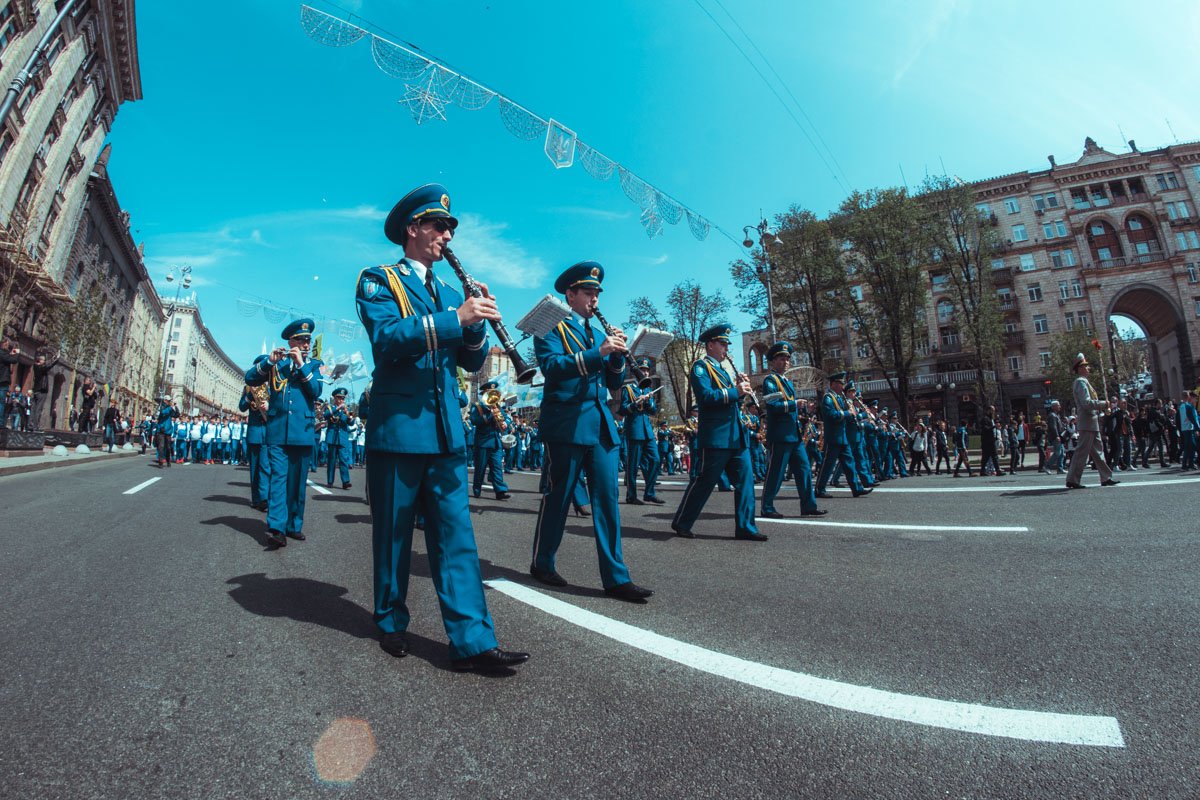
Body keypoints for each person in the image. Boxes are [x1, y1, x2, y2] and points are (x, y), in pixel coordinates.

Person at [357, 182, 527, 671]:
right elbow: (388, 338)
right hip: (400, 427)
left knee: (457, 536)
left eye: (451, 228)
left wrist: (475, 327)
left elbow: (470, 363)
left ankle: (473, 641)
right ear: (413, 229)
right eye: (439, 226)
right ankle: (390, 619)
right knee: (392, 533)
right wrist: (457, 317)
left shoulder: (452, 292)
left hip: (447, 430)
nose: (448, 235)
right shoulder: (378, 279)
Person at [529, 260, 653, 601]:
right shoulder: (550, 326)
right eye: (587, 292)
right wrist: (598, 352)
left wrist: (616, 358)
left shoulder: (600, 333)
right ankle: (542, 561)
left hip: (600, 424)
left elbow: (613, 383)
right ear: (570, 294)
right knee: (559, 497)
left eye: (597, 293)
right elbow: (552, 367)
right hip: (566, 422)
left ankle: (616, 578)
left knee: (607, 501)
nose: (594, 299)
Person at [671, 323, 767, 541]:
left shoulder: (723, 370)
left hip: (735, 436)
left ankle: (746, 527)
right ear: (711, 344)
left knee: (746, 481)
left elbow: (731, 400)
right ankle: (682, 521)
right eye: (722, 343)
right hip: (716, 437)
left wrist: (741, 390)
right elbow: (706, 397)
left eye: (726, 344)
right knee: (705, 481)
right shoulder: (701, 367)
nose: (726, 348)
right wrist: (736, 390)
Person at [245, 318, 324, 546]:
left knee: (297, 482)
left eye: (308, 340)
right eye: (301, 340)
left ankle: (293, 525)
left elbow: (316, 391)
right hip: (278, 430)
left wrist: (301, 364)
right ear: (291, 341)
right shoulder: (275, 364)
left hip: (303, 431)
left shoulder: (315, 365)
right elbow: (250, 378)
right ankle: (276, 527)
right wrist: (269, 362)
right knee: (278, 479)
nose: (306, 344)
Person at [759, 342, 826, 519]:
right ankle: (767, 507)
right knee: (776, 473)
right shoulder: (770, 381)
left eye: (788, 358)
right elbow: (773, 406)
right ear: (773, 362)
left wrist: (803, 409)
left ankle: (808, 506)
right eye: (782, 358)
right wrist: (794, 404)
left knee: (804, 469)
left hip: (794, 434)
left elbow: (789, 408)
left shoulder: (786, 382)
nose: (786, 361)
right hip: (780, 435)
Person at [1065, 353, 1118, 490]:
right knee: (1082, 452)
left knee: (1098, 452)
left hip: (1092, 422)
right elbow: (1086, 403)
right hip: (1087, 422)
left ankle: (1106, 477)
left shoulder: (1084, 382)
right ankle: (1072, 479)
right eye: (1085, 366)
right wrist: (1103, 404)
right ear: (1080, 368)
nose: (1088, 368)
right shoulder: (1080, 382)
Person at [814, 372, 869, 498]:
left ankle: (856, 488)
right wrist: (847, 413)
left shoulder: (839, 397)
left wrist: (855, 412)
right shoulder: (828, 398)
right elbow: (831, 415)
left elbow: (849, 415)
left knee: (849, 463)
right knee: (828, 465)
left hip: (842, 436)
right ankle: (819, 489)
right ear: (833, 384)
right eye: (840, 383)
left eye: (843, 383)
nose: (842, 386)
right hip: (833, 437)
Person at [620, 364, 663, 506]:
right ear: (635, 372)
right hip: (634, 430)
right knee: (633, 465)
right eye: (642, 370)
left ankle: (649, 493)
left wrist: (649, 402)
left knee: (656, 460)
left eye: (646, 370)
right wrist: (637, 402)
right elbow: (623, 409)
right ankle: (631, 496)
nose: (644, 372)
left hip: (647, 431)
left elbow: (653, 411)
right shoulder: (628, 389)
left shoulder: (648, 388)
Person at [470, 380, 513, 500]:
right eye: (489, 392)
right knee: (480, 467)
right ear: (484, 393)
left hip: (495, 441)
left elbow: (506, 418)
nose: (492, 395)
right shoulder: (477, 406)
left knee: (497, 467)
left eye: (493, 392)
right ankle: (477, 489)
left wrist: (505, 423)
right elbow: (475, 421)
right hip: (483, 442)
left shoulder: (497, 406)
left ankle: (500, 491)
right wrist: (489, 414)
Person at [239, 370, 271, 510]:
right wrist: (248, 397)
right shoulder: (248, 388)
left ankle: (264, 498)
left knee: (265, 466)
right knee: (254, 467)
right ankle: (256, 498)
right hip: (254, 432)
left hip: (268, 432)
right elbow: (241, 407)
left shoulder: (272, 387)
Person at [324, 387, 354, 489]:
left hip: (343, 438)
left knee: (343, 460)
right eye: (339, 398)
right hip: (332, 437)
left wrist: (347, 413)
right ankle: (330, 481)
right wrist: (337, 408)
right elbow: (326, 415)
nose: (341, 400)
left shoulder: (347, 409)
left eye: (342, 398)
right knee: (331, 460)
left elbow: (351, 422)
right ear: (335, 398)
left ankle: (345, 481)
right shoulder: (330, 408)